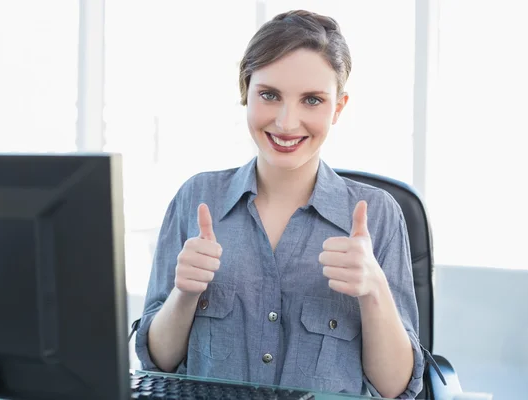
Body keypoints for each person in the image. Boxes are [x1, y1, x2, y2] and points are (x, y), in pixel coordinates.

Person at [135, 9, 425, 398]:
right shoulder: (197, 198)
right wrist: (184, 294)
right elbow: (159, 365)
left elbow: (395, 389)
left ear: (337, 108)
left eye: (312, 100)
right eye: (270, 95)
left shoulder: (381, 215)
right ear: (246, 92)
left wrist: (374, 291)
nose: (287, 123)